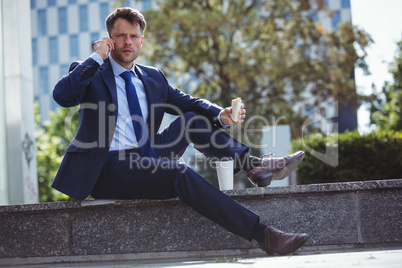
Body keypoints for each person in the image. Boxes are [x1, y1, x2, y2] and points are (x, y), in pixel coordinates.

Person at [52, 7, 308, 256]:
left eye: (132, 36)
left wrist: (221, 114)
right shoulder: (91, 71)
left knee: (192, 119)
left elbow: (190, 103)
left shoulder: (152, 77)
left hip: (146, 157)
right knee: (179, 171)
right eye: (120, 36)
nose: (126, 42)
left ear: (141, 40)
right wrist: (97, 57)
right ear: (109, 39)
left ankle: (252, 166)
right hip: (108, 167)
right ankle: (263, 234)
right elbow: (62, 96)